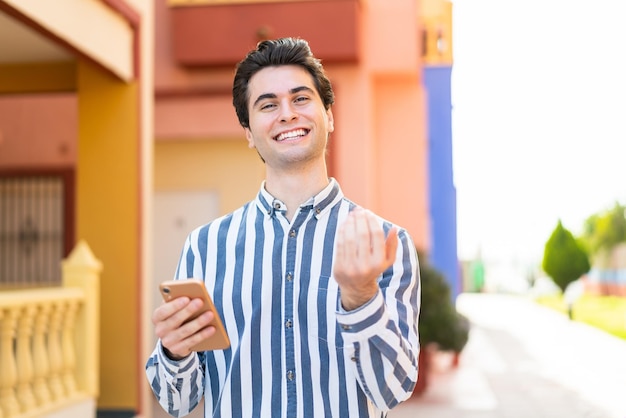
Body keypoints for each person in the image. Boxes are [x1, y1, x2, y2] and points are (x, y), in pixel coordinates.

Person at [146, 37, 420, 418]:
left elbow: (394, 389)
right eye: (268, 105)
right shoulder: (204, 247)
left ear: (329, 114)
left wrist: (360, 297)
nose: (287, 114)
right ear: (248, 132)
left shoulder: (386, 243)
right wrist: (175, 351)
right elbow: (178, 402)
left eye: (301, 98)